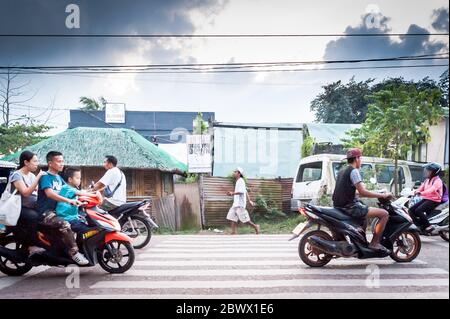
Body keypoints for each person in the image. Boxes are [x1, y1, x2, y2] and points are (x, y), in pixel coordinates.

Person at [332, 148, 392, 253]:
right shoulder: (354, 171)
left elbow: (351, 191)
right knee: (384, 214)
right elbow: (363, 192)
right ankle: (375, 243)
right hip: (350, 207)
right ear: (356, 158)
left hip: (339, 206)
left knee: (363, 218)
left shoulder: (342, 171)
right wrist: (383, 195)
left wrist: (377, 192)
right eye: (361, 158)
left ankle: (360, 243)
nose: (361, 161)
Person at [36, 151, 89, 265]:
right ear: (50, 163)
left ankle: (80, 248)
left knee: (82, 220)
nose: (62, 164)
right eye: (59, 161)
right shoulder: (46, 177)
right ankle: (74, 253)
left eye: (62, 161)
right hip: (46, 213)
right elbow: (49, 194)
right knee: (64, 224)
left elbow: (70, 190)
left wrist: (86, 195)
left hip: (57, 211)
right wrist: (69, 200)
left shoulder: (59, 178)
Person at [9, 151, 47, 255]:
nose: (37, 163)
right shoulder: (16, 175)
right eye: (34, 161)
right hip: (17, 208)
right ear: (26, 162)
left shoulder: (31, 175)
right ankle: (31, 245)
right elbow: (25, 193)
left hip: (31, 206)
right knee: (33, 216)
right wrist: (38, 177)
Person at [56, 167, 101, 234]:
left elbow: (83, 191)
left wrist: (93, 192)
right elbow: (79, 193)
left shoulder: (73, 188)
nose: (79, 180)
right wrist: (95, 195)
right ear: (70, 179)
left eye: (80, 178)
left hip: (74, 217)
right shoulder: (66, 188)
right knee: (85, 229)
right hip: (66, 218)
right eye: (77, 178)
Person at [410, 162, 445, 233]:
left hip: (434, 200)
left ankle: (428, 226)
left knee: (418, 210)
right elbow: (421, 188)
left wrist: (421, 193)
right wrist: (415, 191)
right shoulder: (427, 180)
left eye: (428, 170)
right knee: (411, 210)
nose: (425, 172)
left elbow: (431, 190)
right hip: (427, 199)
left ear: (434, 172)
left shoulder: (437, 181)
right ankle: (419, 225)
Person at [226, 167, 260, 235]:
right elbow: (246, 191)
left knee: (245, 220)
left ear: (239, 173)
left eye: (235, 172)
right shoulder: (238, 181)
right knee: (232, 217)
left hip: (240, 204)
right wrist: (249, 200)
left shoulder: (241, 181)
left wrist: (232, 193)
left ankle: (256, 226)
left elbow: (241, 192)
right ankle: (233, 232)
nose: (234, 173)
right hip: (235, 204)